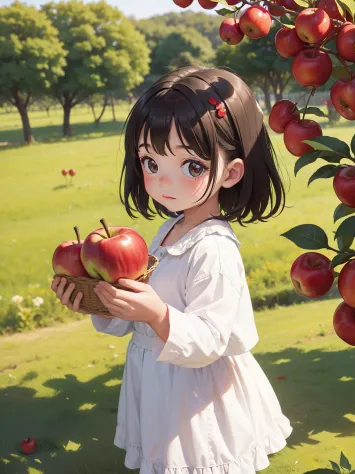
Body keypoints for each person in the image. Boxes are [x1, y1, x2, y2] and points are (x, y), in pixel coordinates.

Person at [51, 65, 292, 474]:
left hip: (195, 391)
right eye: (151, 161)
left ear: (232, 171)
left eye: (191, 166)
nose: (165, 182)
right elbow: (137, 312)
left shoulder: (213, 249)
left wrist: (158, 315)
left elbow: (213, 337)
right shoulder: (168, 231)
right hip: (160, 378)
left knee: (198, 460)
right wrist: (99, 301)